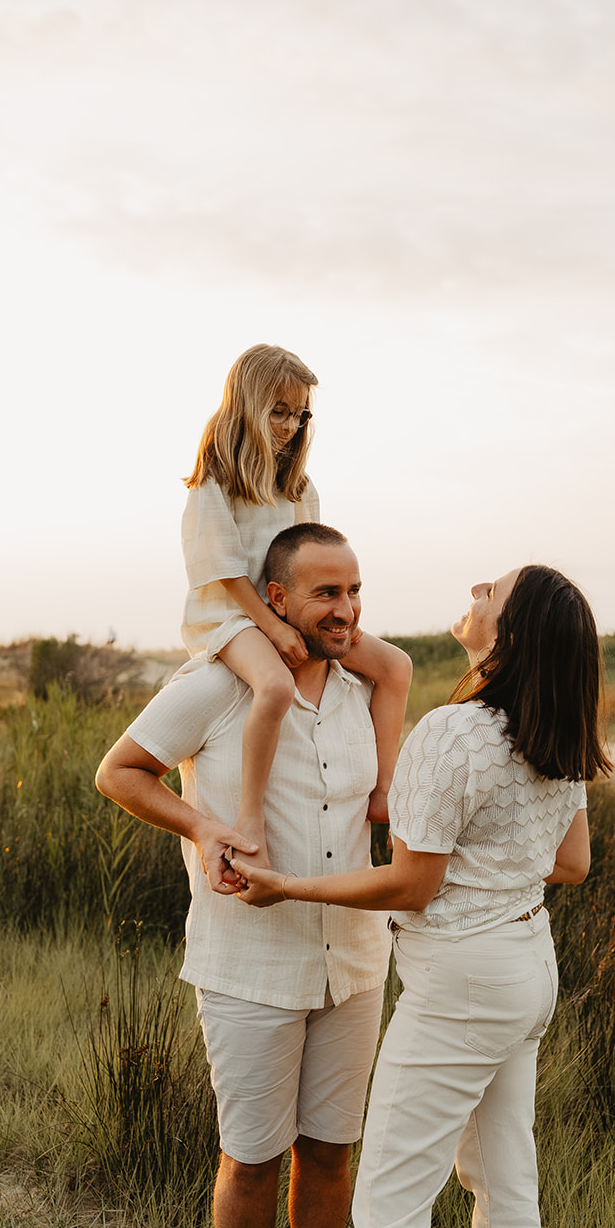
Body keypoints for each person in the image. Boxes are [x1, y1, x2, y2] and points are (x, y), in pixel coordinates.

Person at [234, 564, 612, 1228]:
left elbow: (412, 880)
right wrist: (495, 868)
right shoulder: (556, 730)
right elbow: (571, 864)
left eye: (494, 589)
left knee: (389, 1209)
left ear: (506, 634)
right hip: (527, 969)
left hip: (463, 988)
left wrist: (290, 883)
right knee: (502, 1180)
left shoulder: (456, 733)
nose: (476, 585)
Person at [95, 523, 396, 1228]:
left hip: (355, 958)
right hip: (247, 963)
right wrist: (202, 828)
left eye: (352, 592)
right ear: (275, 599)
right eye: (323, 594)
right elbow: (120, 771)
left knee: (330, 1155)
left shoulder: (363, 688)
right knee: (254, 1158)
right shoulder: (219, 684)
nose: (343, 611)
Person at [181, 342, 412, 867]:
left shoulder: (297, 485)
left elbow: (313, 561)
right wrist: (272, 627)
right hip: (232, 616)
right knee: (276, 686)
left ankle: (383, 789)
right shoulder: (215, 478)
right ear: (247, 405)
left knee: (395, 666)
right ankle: (250, 815)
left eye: (299, 414)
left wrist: (338, 613)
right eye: (278, 412)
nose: (289, 425)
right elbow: (223, 570)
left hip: (292, 612)